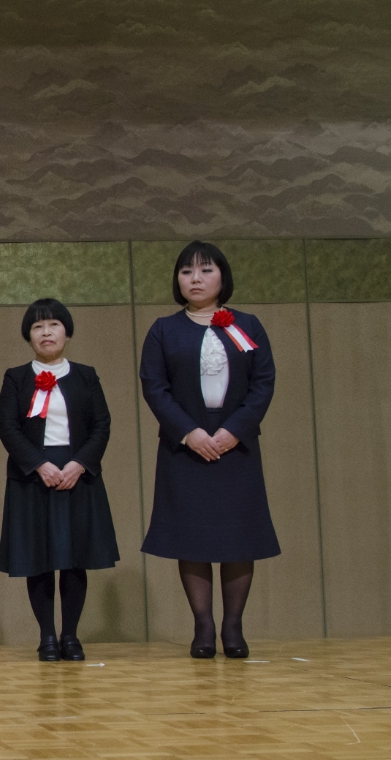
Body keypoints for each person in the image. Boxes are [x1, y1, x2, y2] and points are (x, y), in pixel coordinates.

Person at [140, 241, 278, 659]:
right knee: (193, 540)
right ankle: (203, 627)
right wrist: (189, 432)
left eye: (205, 270)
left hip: (236, 448)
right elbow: (155, 387)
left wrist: (234, 430)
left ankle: (233, 628)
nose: (195, 279)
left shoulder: (248, 325)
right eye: (186, 272)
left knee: (238, 539)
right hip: (186, 450)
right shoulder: (164, 330)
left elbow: (263, 383)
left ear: (223, 277)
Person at [0, 299, 119, 662]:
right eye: (37, 327)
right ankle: (47, 636)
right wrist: (39, 465)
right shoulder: (15, 377)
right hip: (32, 477)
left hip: (77, 475)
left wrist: (80, 464)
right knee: (39, 558)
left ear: (67, 331)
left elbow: (102, 425)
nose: (46, 332)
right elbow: (7, 426)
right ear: (28, 337)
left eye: (53, 325)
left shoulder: (86, 374)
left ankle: (70, 636)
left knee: (74, 557)